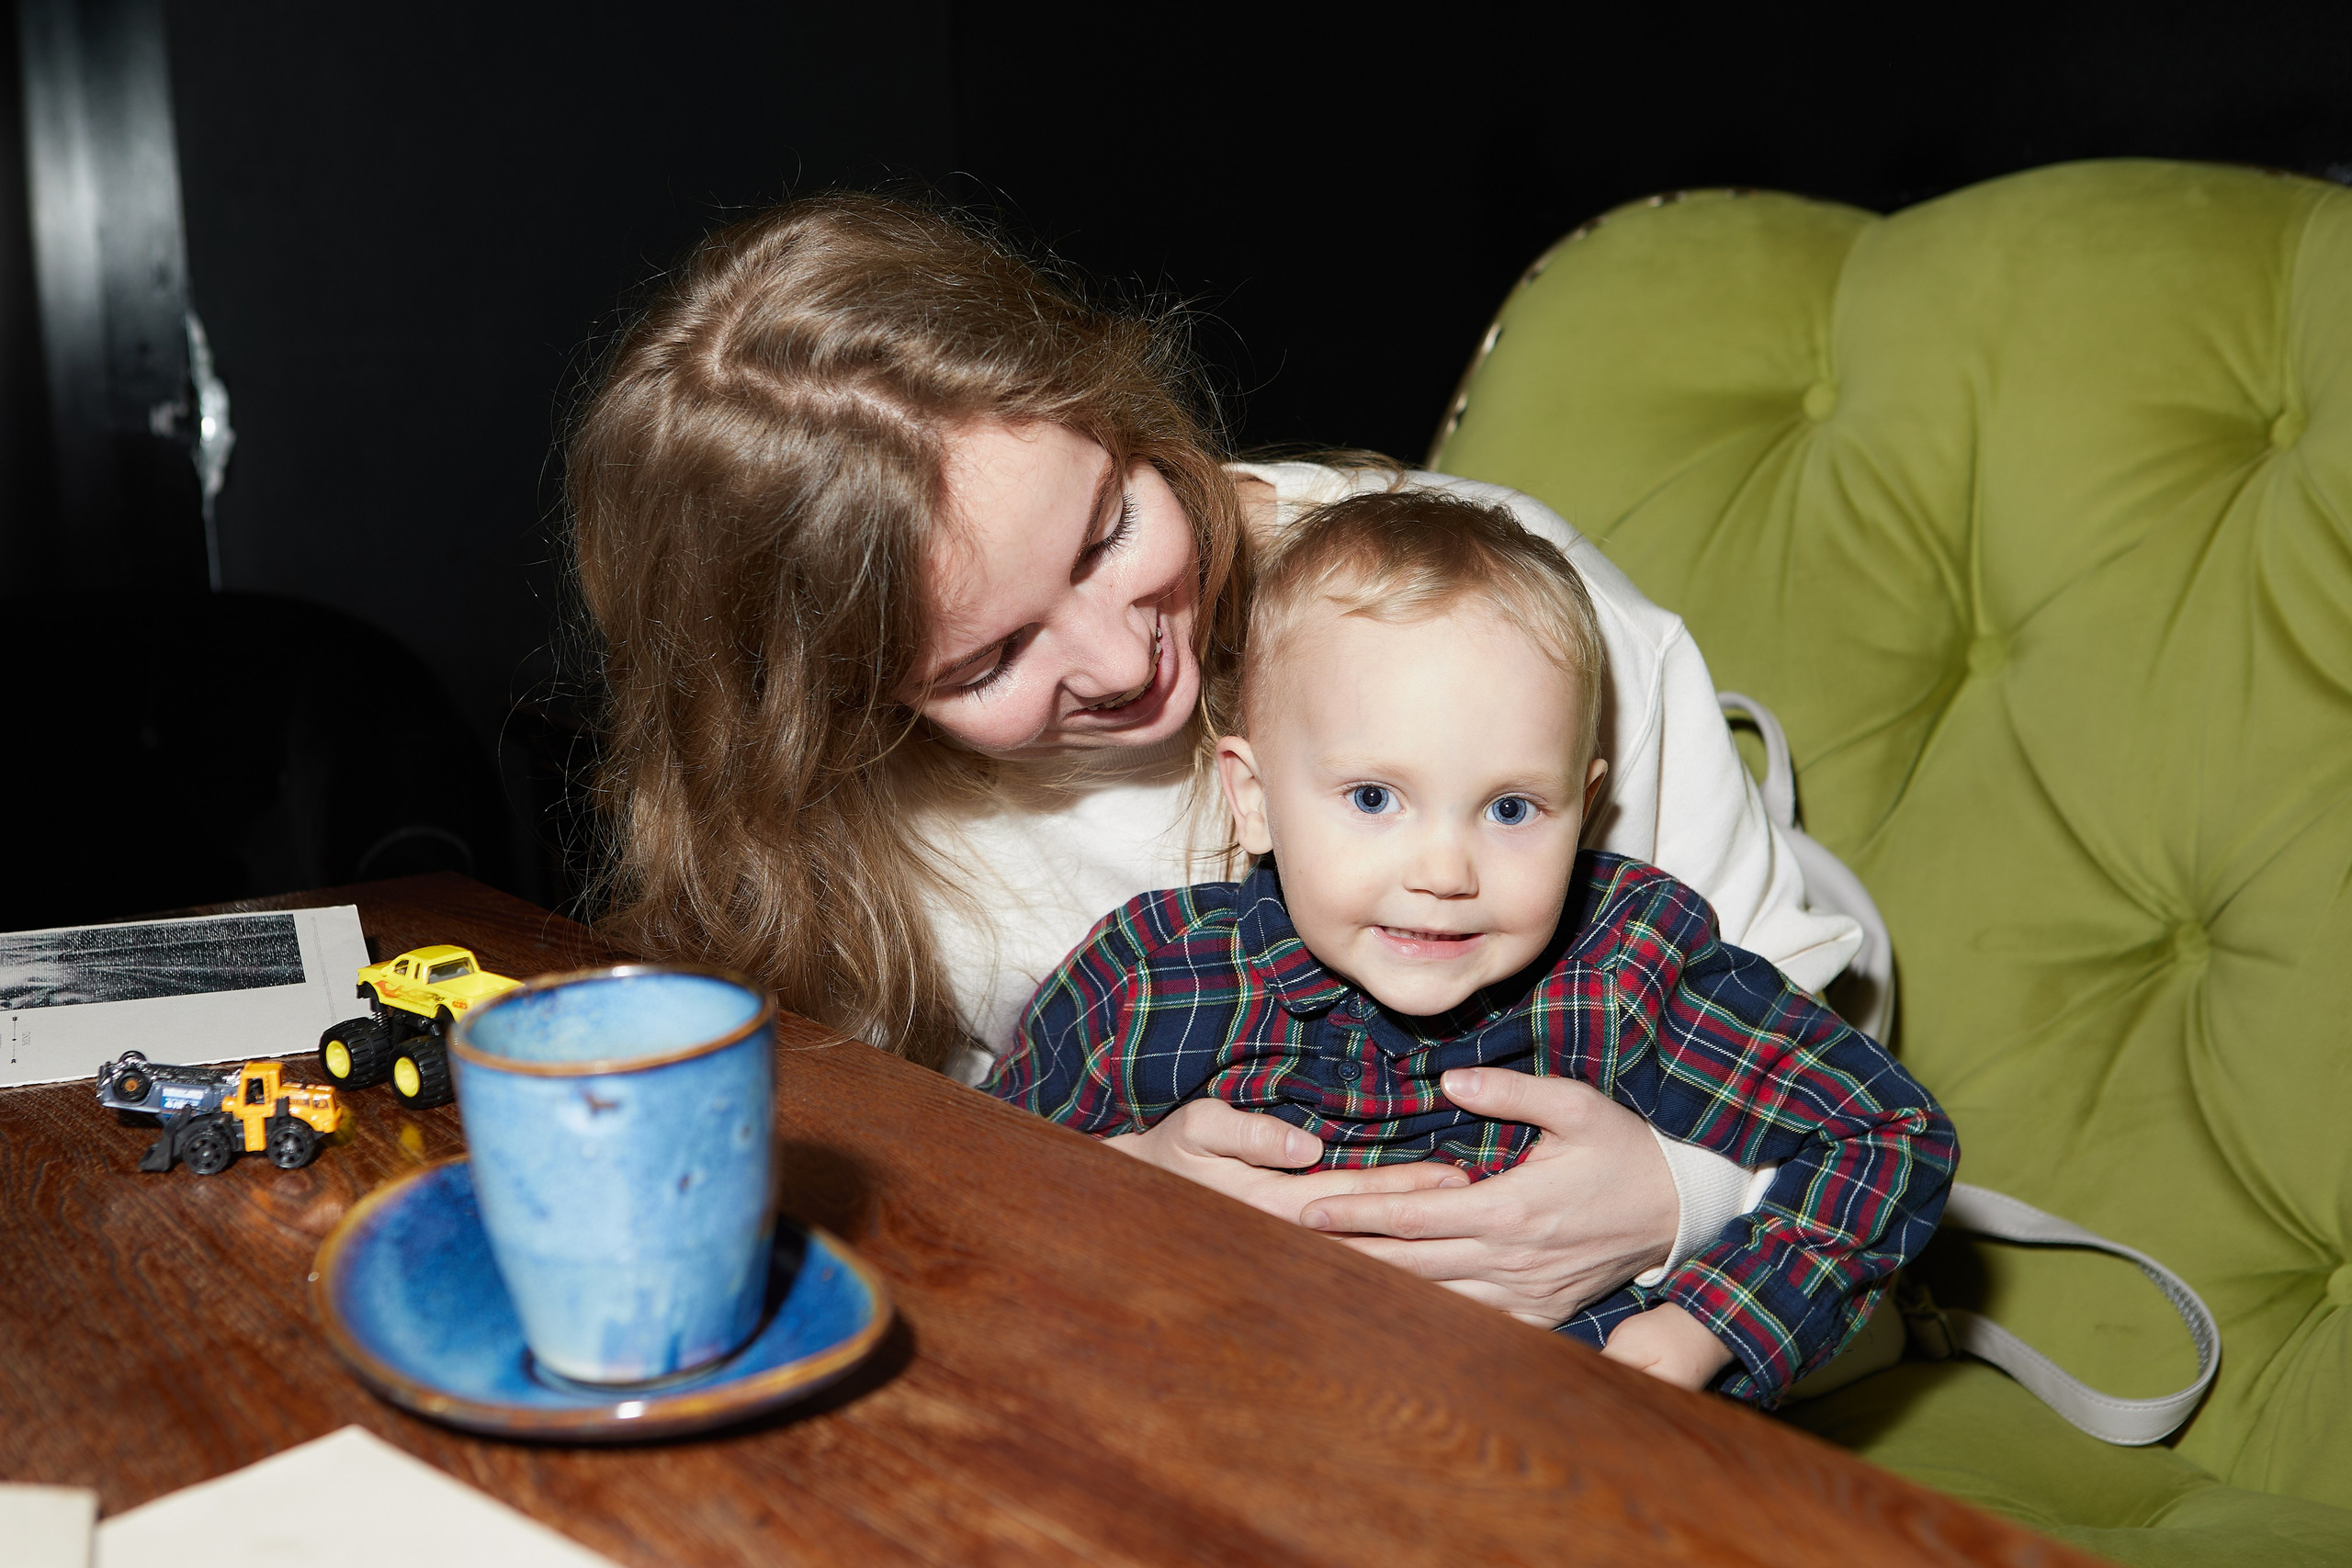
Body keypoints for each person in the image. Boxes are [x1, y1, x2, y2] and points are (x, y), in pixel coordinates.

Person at [564, 190, 1864, 1332]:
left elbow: (1830, 1082)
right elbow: (899, 1202)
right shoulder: (850, 836)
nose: (1122, 662)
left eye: (1106, 528)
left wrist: (1673, 1201)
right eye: (988, 660)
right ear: (834, 708)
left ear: (1120, 406)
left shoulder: (1490, 623)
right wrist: (1100, 1192)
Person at [989, 491, 1956, 1401]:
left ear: (1584, 805)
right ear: (1253, 797)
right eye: (1373, 798)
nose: (1445, 870)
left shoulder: (1628, 966)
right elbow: (977, 1180)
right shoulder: (1153, 976)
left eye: (1509, 807)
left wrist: (1695, 1334)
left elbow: (1888, 1139)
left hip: (1528, 1449)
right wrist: (1121, 1179)